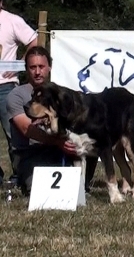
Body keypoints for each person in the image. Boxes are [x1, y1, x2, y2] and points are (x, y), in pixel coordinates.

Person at [7, 46, 96, 196]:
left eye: (41, 67)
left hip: (60, 151)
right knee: (40, 193)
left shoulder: (59, 93)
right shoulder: (16, 95)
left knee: (92, 144)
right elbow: (25, 128)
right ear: (26, 69)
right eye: (32, 67)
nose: (37, 72)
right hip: (31, 155)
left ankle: (82, 186)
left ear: (49, 67)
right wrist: (58, 142)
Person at [0, 0, 38, 184]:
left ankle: (18, 175)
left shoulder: (12, 21)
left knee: (13, 134)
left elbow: (33, 40)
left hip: (5, 86)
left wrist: (21, 64)